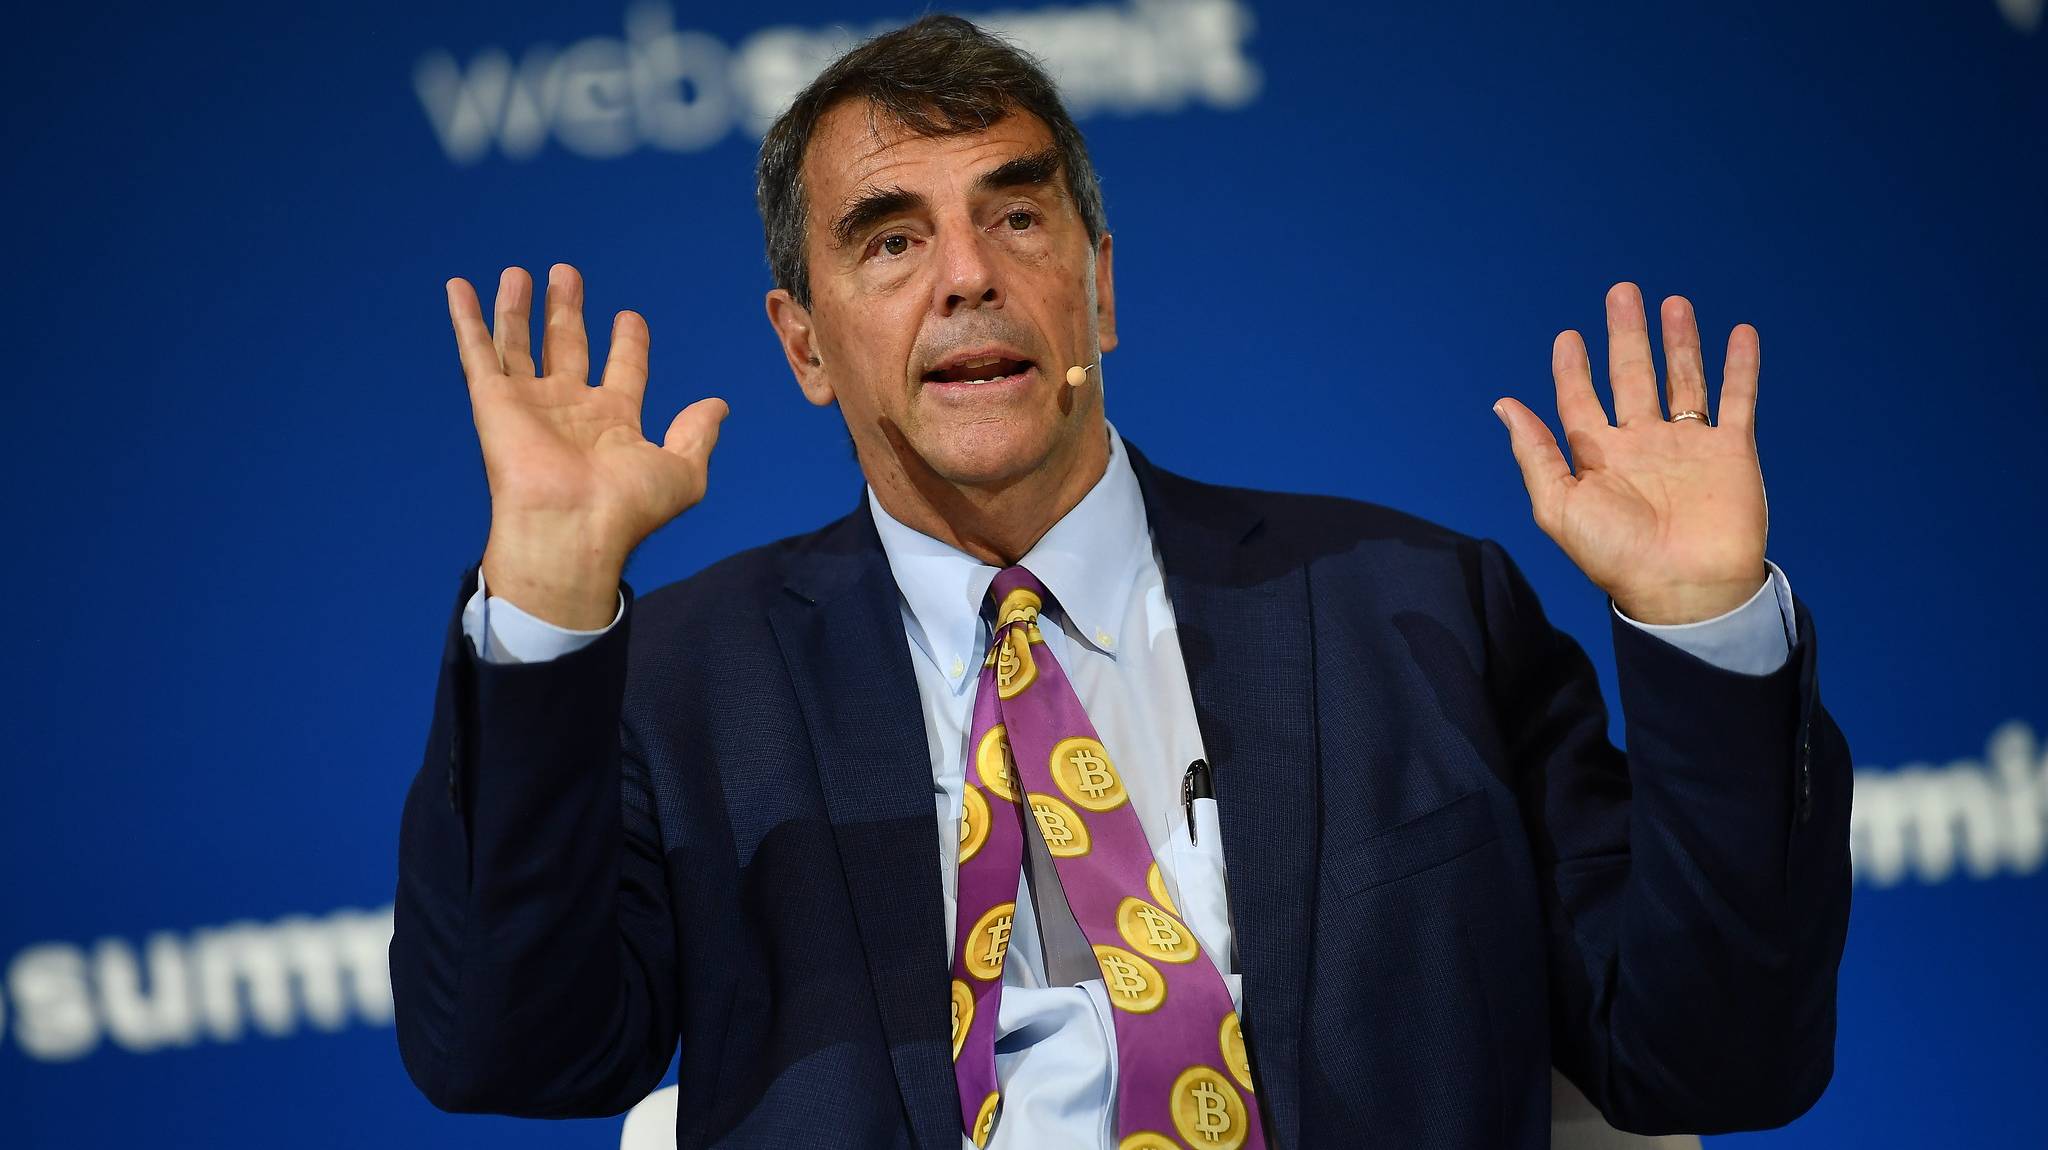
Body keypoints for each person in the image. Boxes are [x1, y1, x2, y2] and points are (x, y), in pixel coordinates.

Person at [390, 15, 1850, 1150]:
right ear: (804, 344)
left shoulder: (1412, 611)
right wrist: (548, 601)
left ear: (1098, 283)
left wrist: (1706, 631)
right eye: (891, 239)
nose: (967, 275)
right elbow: (508, 1050)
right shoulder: (685, 687)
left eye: (1019, 217)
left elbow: (1719, 1056)